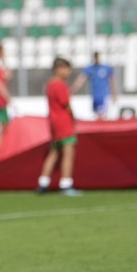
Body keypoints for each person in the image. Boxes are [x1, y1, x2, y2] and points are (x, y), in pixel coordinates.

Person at [37, 57, 82, 196]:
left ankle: (43, 183)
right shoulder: (60, 85)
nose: (68, 72)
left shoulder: (50, 84)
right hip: (63, 122)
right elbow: (66, 104)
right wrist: (73, 118)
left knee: (54, 152)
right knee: (68, 152)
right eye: (67, 69)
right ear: (58, 69)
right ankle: (66, 184)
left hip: (53, 122)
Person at [71, 52, 116, 120]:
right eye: (95, 57)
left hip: (103, 96)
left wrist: (114, 94)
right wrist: (72, 90)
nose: (96, 59)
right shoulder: (90, 69)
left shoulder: (106, 68)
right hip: (94, 96)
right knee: (96, 115)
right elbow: (81, 80)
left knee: (101, 115)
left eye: (97, 57)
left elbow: (111, 81)